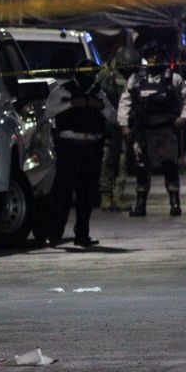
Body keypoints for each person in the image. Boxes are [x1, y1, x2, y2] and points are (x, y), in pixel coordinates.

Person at [44, 59, 116, 247]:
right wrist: (72, 104)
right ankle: (54, 234)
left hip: (91, 147)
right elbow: (49, 112)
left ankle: (82, 234)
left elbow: (113, 116)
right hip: (69, 147)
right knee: (63, 193)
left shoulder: (98, 93)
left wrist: (98, 105)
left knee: (87, 193)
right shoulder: (63, 91)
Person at [119, 41, 186, 217]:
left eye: (157, 55)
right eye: (150, 55)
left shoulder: (172, 78)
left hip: (165, 131)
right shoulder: (136, 79)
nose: (154, 59)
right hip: (143, 132)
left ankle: (175, 203)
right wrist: (124, 125)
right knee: (142, 169)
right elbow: (125, 102)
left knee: (169, 166)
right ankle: (140, 204)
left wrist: (183, 117)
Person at [96, 45, 141, 211]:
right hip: (109, 125)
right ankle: (105, 196)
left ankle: (117, 196)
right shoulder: (107, 76)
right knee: (107, 161)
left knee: (121, 163)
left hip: (122, 126)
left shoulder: (133, 79)